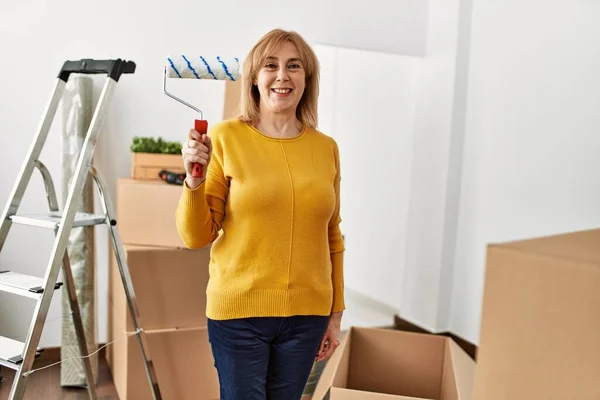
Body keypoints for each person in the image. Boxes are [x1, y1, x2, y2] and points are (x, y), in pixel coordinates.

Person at [175, 28, 345, 400]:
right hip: (239, 315)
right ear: (254, 77)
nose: (282, 76)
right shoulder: (224, 138)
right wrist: (192, 181)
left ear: (307, 78)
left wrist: (335, 315)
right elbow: (196, 236)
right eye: (271, 65)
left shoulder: (325, 148)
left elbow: (332, 235)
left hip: (307, 316)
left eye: (293, 66)